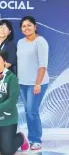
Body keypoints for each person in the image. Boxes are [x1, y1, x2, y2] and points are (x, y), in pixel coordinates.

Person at [17, 16, 50, 150]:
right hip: (22, 83)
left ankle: (36, 140)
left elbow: (42, 65)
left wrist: (37, 83)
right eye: (24, 26)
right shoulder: (20, 42)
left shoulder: (40, 42)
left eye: (29, 25)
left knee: (32, 112)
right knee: (27, 111)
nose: (26, 28)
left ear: (35, 27)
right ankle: (32, 138)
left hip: (36, 83)